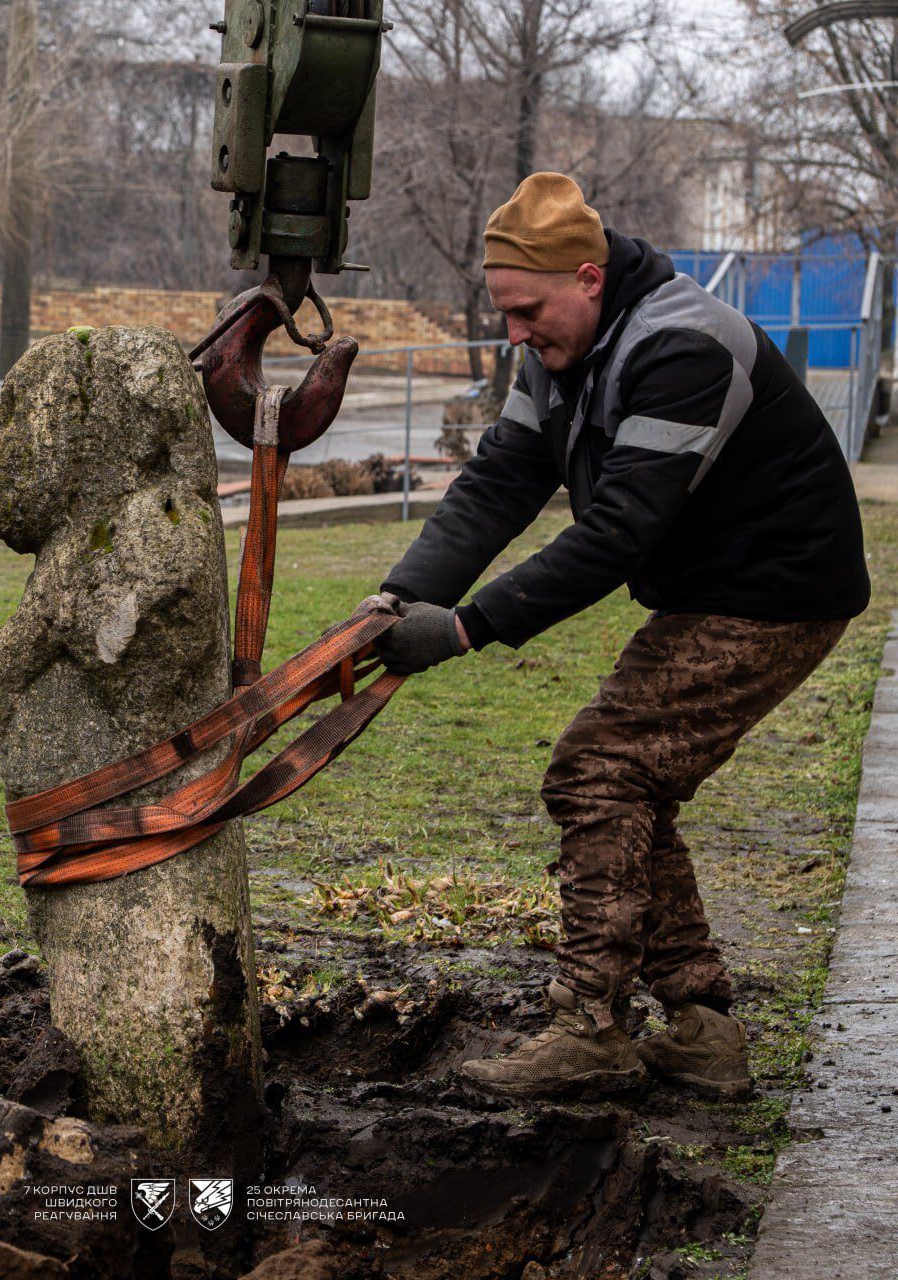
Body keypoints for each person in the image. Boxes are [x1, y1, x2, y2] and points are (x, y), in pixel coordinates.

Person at [365, 172, 870, 1101]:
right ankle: (700, 1028)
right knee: (631, 782)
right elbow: (497, 484)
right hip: (705, 589)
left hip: (776, 592)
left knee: (596, 769)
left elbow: (616, 531)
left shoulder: (685, 344)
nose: (514, 333)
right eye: (505, 313)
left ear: (588, 278)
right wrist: (395, 602)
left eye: (525, 311)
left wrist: (468, 627)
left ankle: (589, 1028)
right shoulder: (555, 354)